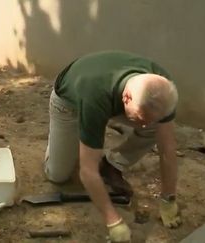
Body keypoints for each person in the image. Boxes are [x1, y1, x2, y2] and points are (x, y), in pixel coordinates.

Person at [44, 51, 181, 242]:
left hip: (110, 98)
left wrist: (168, 198)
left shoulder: (162, 91)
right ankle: (65, 141)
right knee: (57, 175)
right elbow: (87, 171)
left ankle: (112, 164)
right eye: (140, 119)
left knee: (154, 130)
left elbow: (167, 149)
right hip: (68, 103)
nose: (142, 125)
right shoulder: (95, 97)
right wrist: (114, 221)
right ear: (126, 98)